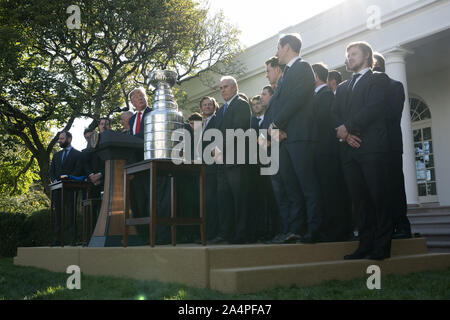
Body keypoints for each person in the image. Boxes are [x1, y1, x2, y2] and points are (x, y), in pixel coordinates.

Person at [332, 41, 392, 260]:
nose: (349, 58)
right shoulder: (343, 87)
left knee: (378, 197)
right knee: (359, 201)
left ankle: (382, 247)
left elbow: (374, 108)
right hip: (349, 152)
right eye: (347, 55)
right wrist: (345, 134)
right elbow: (334, 114)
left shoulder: (378, 79)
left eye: (353, 54)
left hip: (372, 149)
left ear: (367, 56)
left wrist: (349, 127)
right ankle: (365, 245)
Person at [267, 33, 323, 244]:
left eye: (278, 47)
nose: (276, 52)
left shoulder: (302, 68)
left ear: (287, 47)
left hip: (301, 136)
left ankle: (315, 230)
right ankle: (295, 230)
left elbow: (296, 100)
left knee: (308, 186)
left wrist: (276, 124)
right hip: (286, 139)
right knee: (293, 188)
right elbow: (280, 104)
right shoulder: (287, 74)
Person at [311, 63, 352, 242]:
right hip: (319, 152)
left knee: (332, 191)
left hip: (327, 151)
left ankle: (340, 230)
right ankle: (329, 229)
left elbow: (323, 120)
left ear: (316, 76)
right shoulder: (315, 96)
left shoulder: (326, 95)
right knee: (324, 192)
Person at [208, 76, 252, 244]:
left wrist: (219, 147)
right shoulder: (221, 110)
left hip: (236, 160)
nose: (222, 90)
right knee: (224, 199)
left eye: (226, 86)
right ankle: (225, 233)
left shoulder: (241, 104)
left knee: (239, 199)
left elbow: (239, 130)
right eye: (221, 87)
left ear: (235, 88)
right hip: (222, 162)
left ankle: (241, 234)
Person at [373, 52, 412, 239]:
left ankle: (402, 226)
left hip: (390, 145)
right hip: (370, 148)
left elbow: (392, 115)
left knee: (395, 186)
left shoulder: (395, 86)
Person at [127, 87, 171, 245]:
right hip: (137, 167)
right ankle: (145, 237)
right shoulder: (132, 119)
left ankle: (162, 236)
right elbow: (132, 140)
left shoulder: (154, 113)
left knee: (158, 201)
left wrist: (128, 140)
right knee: (141, 203)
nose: (140, 98)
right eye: (136, 96)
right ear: (132, 102)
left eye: (142, 95)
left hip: (153, 162)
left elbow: (145, 135)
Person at [259, 58, 290, 244]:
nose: (266, 74)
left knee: (286, 193)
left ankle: (290, 230)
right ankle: (284, 230)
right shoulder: (272, 103)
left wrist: (272, 137)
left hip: (283, 151)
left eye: (268, 70)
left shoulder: (282, 93)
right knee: (279, 196)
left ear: (277, 69)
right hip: (272, 154)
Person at [49, 131, 82, 246]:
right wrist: (54, 181)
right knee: (58, 215)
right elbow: (51, 172)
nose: (60, 141)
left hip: (71, 189)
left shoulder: (78, 154)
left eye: (62, 139)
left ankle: (73, 239)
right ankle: (57, 240)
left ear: (69, 139)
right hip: (57, 190)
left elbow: (78, 170)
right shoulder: (56, 155)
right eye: (60, 139)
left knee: (71, 214)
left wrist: (68, 179)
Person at [199, 96, 219, 241]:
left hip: (213, 167)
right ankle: (204, 233)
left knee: (212, 201)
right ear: (200, 108)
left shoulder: (218, 120)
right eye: (204, 105)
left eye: (209, 105)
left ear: (214, 107)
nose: (207, 107)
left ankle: (213, 233)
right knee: (203, 202)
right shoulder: (199, 124)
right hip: (200, 168)